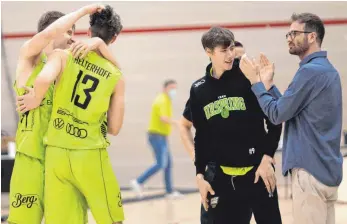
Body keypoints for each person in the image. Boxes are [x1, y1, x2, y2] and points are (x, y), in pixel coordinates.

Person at [8, 4, 119, 224]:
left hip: (60, 159)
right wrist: (82, 12)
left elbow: (117, 77)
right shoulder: (29, 60)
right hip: (30, 158)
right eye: (68, 31)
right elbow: (48, 34)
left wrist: (99, 44)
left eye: (74, 32)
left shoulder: (70, 65)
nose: (72, 37)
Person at [240, 12, 343, 224]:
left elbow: (277, 114)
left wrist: (255, 83)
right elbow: (290, 108)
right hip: (326, 172)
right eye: (288, 33)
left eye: (294, 33)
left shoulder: (309, 72)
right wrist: (269, 86)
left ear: (312, 37)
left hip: (310, 174)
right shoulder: (328, 70)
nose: (288, 37)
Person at [188, 26, 283, 224]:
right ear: (208, 52)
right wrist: (199, 175)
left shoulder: (247, 76)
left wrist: (267, 157)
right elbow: (201, 136)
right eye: (224, 51)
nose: (230, 55)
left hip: (258, 174)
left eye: (231, 48)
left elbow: (275, 119)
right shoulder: (199, 90)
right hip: (223, 179)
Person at [179, 42, 254, 224]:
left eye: (241, 59)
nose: (236, 63)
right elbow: (184, 125)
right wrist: (198, 161)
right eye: (234, 59)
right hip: (216, 175)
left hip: (246, 176)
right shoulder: (204, 90)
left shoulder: (251, 87)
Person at [130, 80, 183, 199]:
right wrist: (178, 123)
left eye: (175, 88)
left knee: (168, 164)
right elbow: (163, 118)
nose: (174, 91)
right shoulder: (162, 100)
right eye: (172, 88)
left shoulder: (166, 100)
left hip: (161, 136)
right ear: (165, 88)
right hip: (156, 136)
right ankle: (138, 182)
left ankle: (169, 192)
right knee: (161, 164)